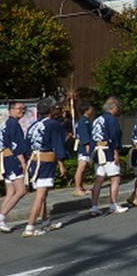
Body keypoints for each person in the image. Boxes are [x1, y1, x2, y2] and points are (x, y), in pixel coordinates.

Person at [23, 97, 67, 237]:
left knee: (43, 194)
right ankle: (30, 227)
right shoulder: (54, 125)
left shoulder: (33, 125)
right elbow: (58, 146)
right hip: (45, 161)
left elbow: (26, 145)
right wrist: (62, 163)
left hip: (34, 161)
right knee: (41, 195)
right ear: (51, 110)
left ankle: (45, 221)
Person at [90, 97, 128, 216]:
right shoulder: (111, 119)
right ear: (113, 107)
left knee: (99, 179)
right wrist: (116, 152)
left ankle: (94, 206)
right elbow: (114, 136)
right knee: (115, 178)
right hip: (108, 151)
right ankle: (113, 204)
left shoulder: (97, 119)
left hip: (98, 150)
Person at [0, 101, 28, 233]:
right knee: (21, 190)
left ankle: (1, 217)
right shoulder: (13, 124)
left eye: (23, 109)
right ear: (11, 110)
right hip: (13, 158)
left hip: (6, 158)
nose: (21, 111)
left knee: (10, 192)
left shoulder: (7, 123)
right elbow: (15, 145)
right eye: (19, 108)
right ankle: (1, 216)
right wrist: (22, 161)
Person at [72, 101, 94, 196]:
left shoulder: (83, 120)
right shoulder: (84, 121)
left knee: (83, 168)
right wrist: (88, 148)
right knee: (81, 167)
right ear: (87, 110)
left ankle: (81, 187)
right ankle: (77, 188)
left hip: (84, 147)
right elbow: (85, 136)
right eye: (90, 108)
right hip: (84, 148)